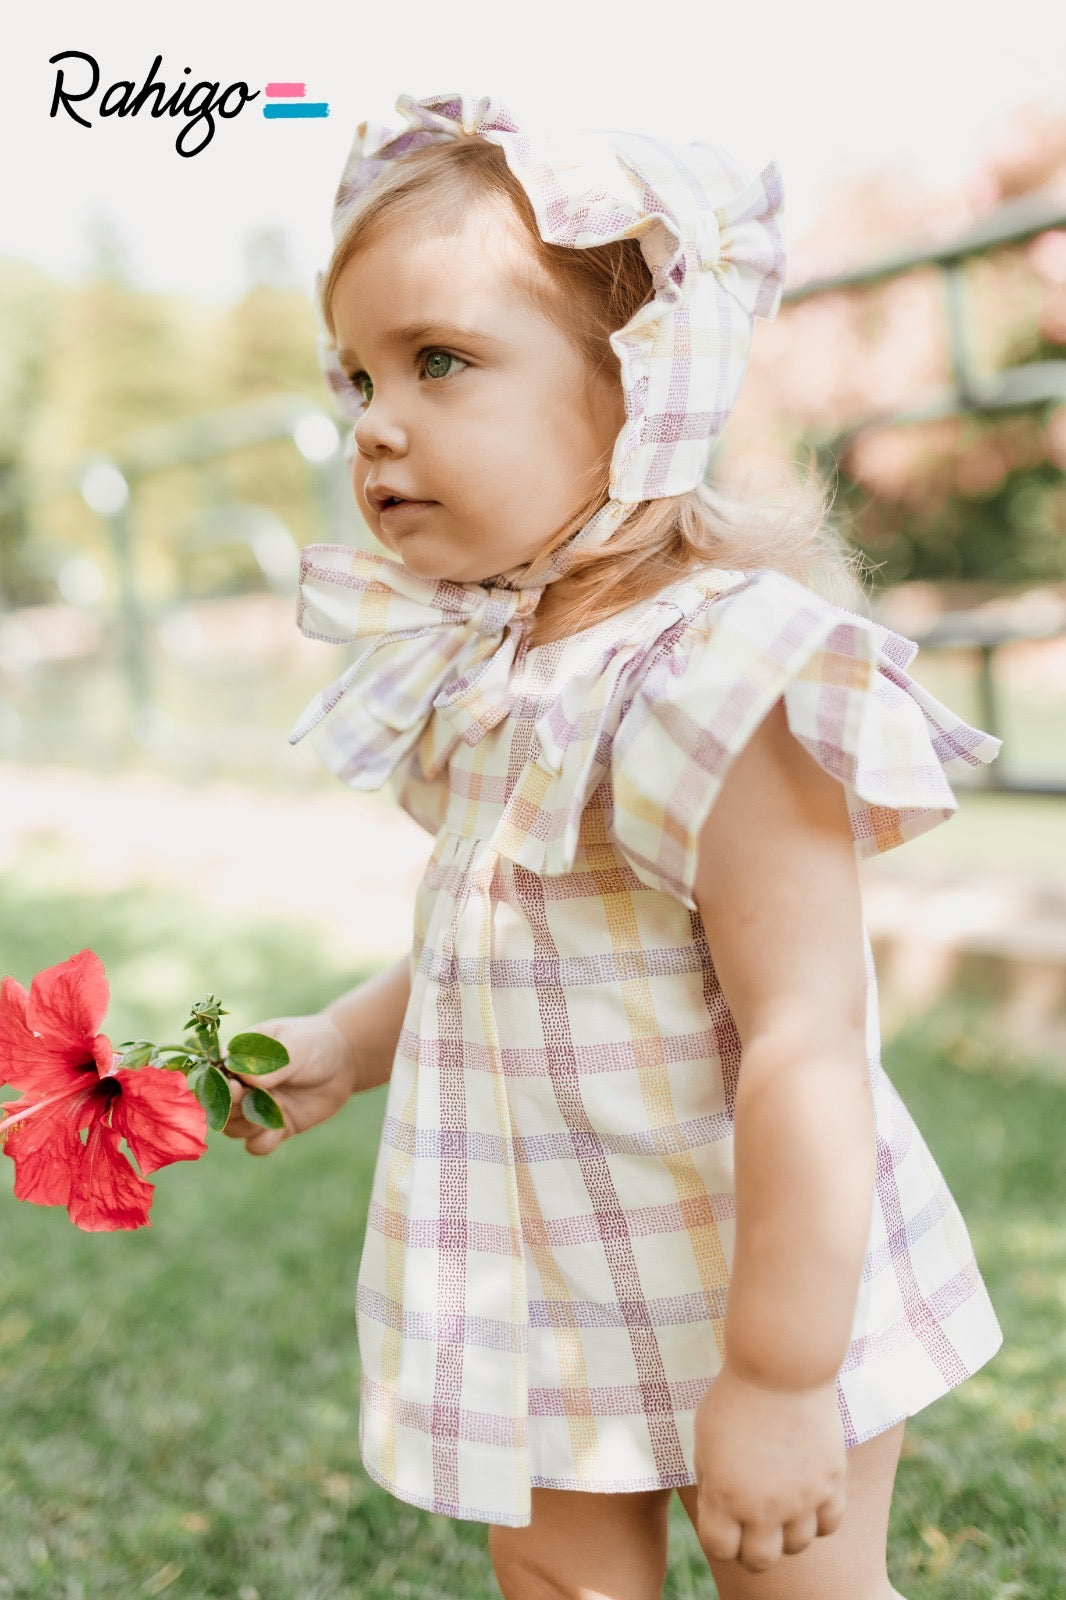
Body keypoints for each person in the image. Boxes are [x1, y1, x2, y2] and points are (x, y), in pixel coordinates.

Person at [223, 91, 1004, 1600]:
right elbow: (501, 939)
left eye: (439, 362)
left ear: (644, 385)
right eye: (357, 379)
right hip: (544, 1273)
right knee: (559, 1577)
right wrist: (342, 1037)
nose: (375, 423)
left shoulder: (723, 674)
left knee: (796, 1588)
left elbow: (806, 1040)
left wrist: (778, 1379)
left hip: (753, 1266)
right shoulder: (491, 672)